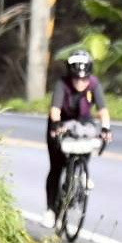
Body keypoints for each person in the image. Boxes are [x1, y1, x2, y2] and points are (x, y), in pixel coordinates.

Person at [44, 50, 112, 227]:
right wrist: (57, 126)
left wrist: (106, 128)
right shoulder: (62, 84)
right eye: (77, 79)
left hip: (83, 122)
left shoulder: (94, 84)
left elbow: (103, 110)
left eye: (84, 79)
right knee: (56, 168)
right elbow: (55, 110)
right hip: (61, 123)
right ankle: (51, 210)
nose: (81, 83)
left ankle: (81, 171)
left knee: (88, 140)